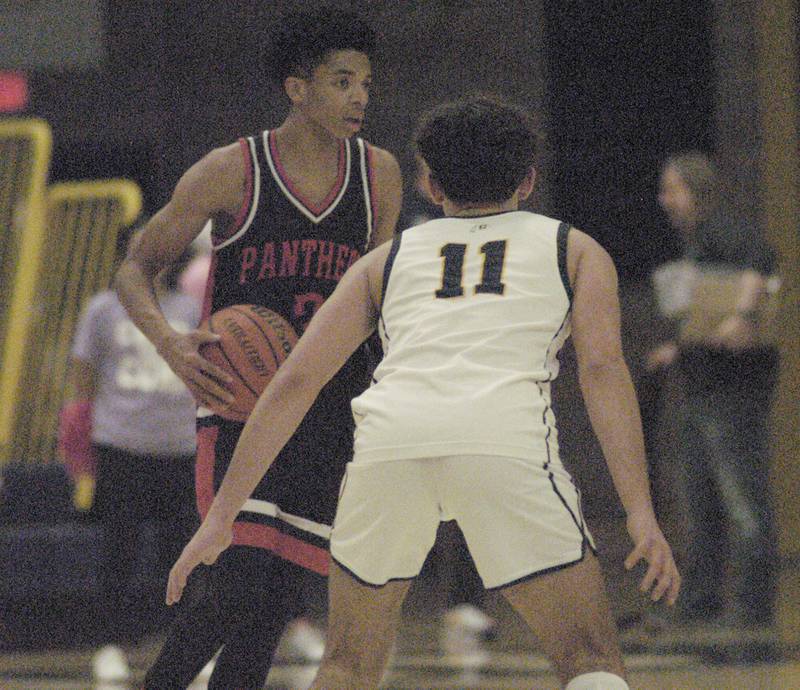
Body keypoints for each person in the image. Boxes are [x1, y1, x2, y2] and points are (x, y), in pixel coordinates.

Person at [168, 95, 680, 690]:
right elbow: (602, 371)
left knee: (346, 667)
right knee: (591, 660)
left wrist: (222, 515)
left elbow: (293, 384)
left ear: (431, 185)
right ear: (529, 180)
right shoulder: (575, 249)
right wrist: (641, 512)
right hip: (503, 445)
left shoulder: (384, 262)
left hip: (389, 448)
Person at [113, 7, 401, 689]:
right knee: (235, 587)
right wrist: (172, 346)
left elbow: (385, 297)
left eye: (364, 81)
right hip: (242, 402)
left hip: (332, 406)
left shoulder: (379, 173)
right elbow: (134, 268)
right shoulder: (230, 170)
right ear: (298, 89)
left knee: (276, 605)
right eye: (342, 81)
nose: (359, 95)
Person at [646, 151, 779, 627]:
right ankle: (701, 603)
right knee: (700, 502)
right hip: (701, 386)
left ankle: (751, 612)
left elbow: (763, 263)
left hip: (733, 389)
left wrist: (742, 315)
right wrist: (676, 350)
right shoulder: (696, 244)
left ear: (696, 191)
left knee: (743, 502)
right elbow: (700, 316)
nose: (664, 199)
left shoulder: (727, 232)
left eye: (672, 189)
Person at [59, 240, 200, 683]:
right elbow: (83, 376)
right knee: (119, 551)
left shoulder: (194, 308)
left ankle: (187, 648)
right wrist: (78, 439)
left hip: (181, 449)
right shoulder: (103, 308)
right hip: (121, 445)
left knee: (183, 554)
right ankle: (110, 644)